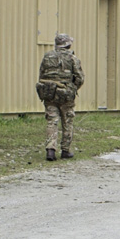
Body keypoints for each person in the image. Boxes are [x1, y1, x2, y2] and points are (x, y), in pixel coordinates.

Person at [36, 33, 85, 161]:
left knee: (52, 121)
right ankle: (65, 150)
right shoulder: (72, 58)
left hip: (50, 93)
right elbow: (80, 78)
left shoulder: (47, 56)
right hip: (66, 95)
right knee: (67, 121)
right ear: (68, 44)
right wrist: (73, 88)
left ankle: (50, 150)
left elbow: (42, 74)